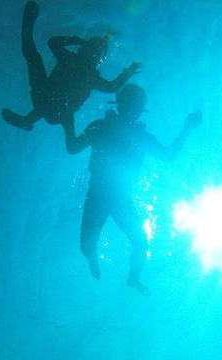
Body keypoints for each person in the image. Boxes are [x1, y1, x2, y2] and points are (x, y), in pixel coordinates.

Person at [62, 84, 202, 296]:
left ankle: (133, 278)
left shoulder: (121, 132)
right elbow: (73, 147)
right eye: (130, 105)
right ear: (120, 105)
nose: (131, 111)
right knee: (87, 247)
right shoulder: (102, 127)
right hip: (100, 193)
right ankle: (94, 259)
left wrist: (188, 128)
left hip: (117, 196)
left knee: (141, 243)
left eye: (135, 107)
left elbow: (169, 156)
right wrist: (68, 121)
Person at [2, 1, 142, 131]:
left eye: (96, 50)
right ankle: (28, 120)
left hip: (50, 105)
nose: (93, 51)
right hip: (55, 110)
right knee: (34, 58)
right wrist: (127, 73)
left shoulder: (73, 62)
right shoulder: (85, 71)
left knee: (34, 59)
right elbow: (112, 87)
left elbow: (52, 43)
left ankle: (29, 119)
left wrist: (77, 41)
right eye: (92, 47)